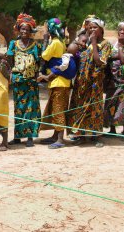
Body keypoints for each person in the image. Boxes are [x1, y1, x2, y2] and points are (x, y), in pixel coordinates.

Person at [68, 18, 112, 147]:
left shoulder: (105, 44)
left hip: (94, 81)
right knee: (80, 105)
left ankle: (95, 136)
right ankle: (81, 134)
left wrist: (93, 43)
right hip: (81, 80)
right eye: (90, 27)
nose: (92, 29)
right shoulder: (84, 42)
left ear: (101, 29)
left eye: (95, 27)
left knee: (94, 107)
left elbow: (100, 62)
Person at [7, 14, 41, 147]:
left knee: (31, 108)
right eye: (22, 29)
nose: (24, 32)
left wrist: (36, 77)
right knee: (19, 108)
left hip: (31, 81)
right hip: (18, 80)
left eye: (27, 29)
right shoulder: (13, 44)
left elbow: (38, 63)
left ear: (30, 31)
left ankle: (30, 137)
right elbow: (9, 61)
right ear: (18, 30)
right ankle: (17, 136)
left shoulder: (35, 45)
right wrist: (10, 74)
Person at [38, 18, 72, 149]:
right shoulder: (61, 42)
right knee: (56, 108)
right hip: (60, 80)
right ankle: (54, 135)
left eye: (46, 28)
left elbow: (44, 56)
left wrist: (45, 39)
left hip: (59, 81)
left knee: (58, 109)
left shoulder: (55, 43)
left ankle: (60, 139)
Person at [103, 21, 124, 138]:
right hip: (113, 78)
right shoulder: (114, 43)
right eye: (120, 29)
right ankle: (112, 129)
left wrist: (121, 48)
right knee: (111, 102)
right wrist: (116, 54)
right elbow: (107, 57)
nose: (122, 32)